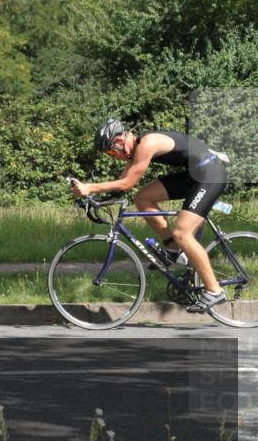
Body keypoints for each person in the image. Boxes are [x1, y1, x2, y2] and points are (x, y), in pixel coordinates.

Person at [70, 119, 230, 313]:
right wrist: (96, 199)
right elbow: (121, 185)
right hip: (194, 175)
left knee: (183, 233)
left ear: (120, 141)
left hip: (210, 175)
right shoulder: (137, 149)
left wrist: (90, 187)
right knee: (143, 198)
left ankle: (214, 290)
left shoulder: (148, 144)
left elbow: (127, 183)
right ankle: (172, 249)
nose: (114, 157)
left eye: (112, 152)